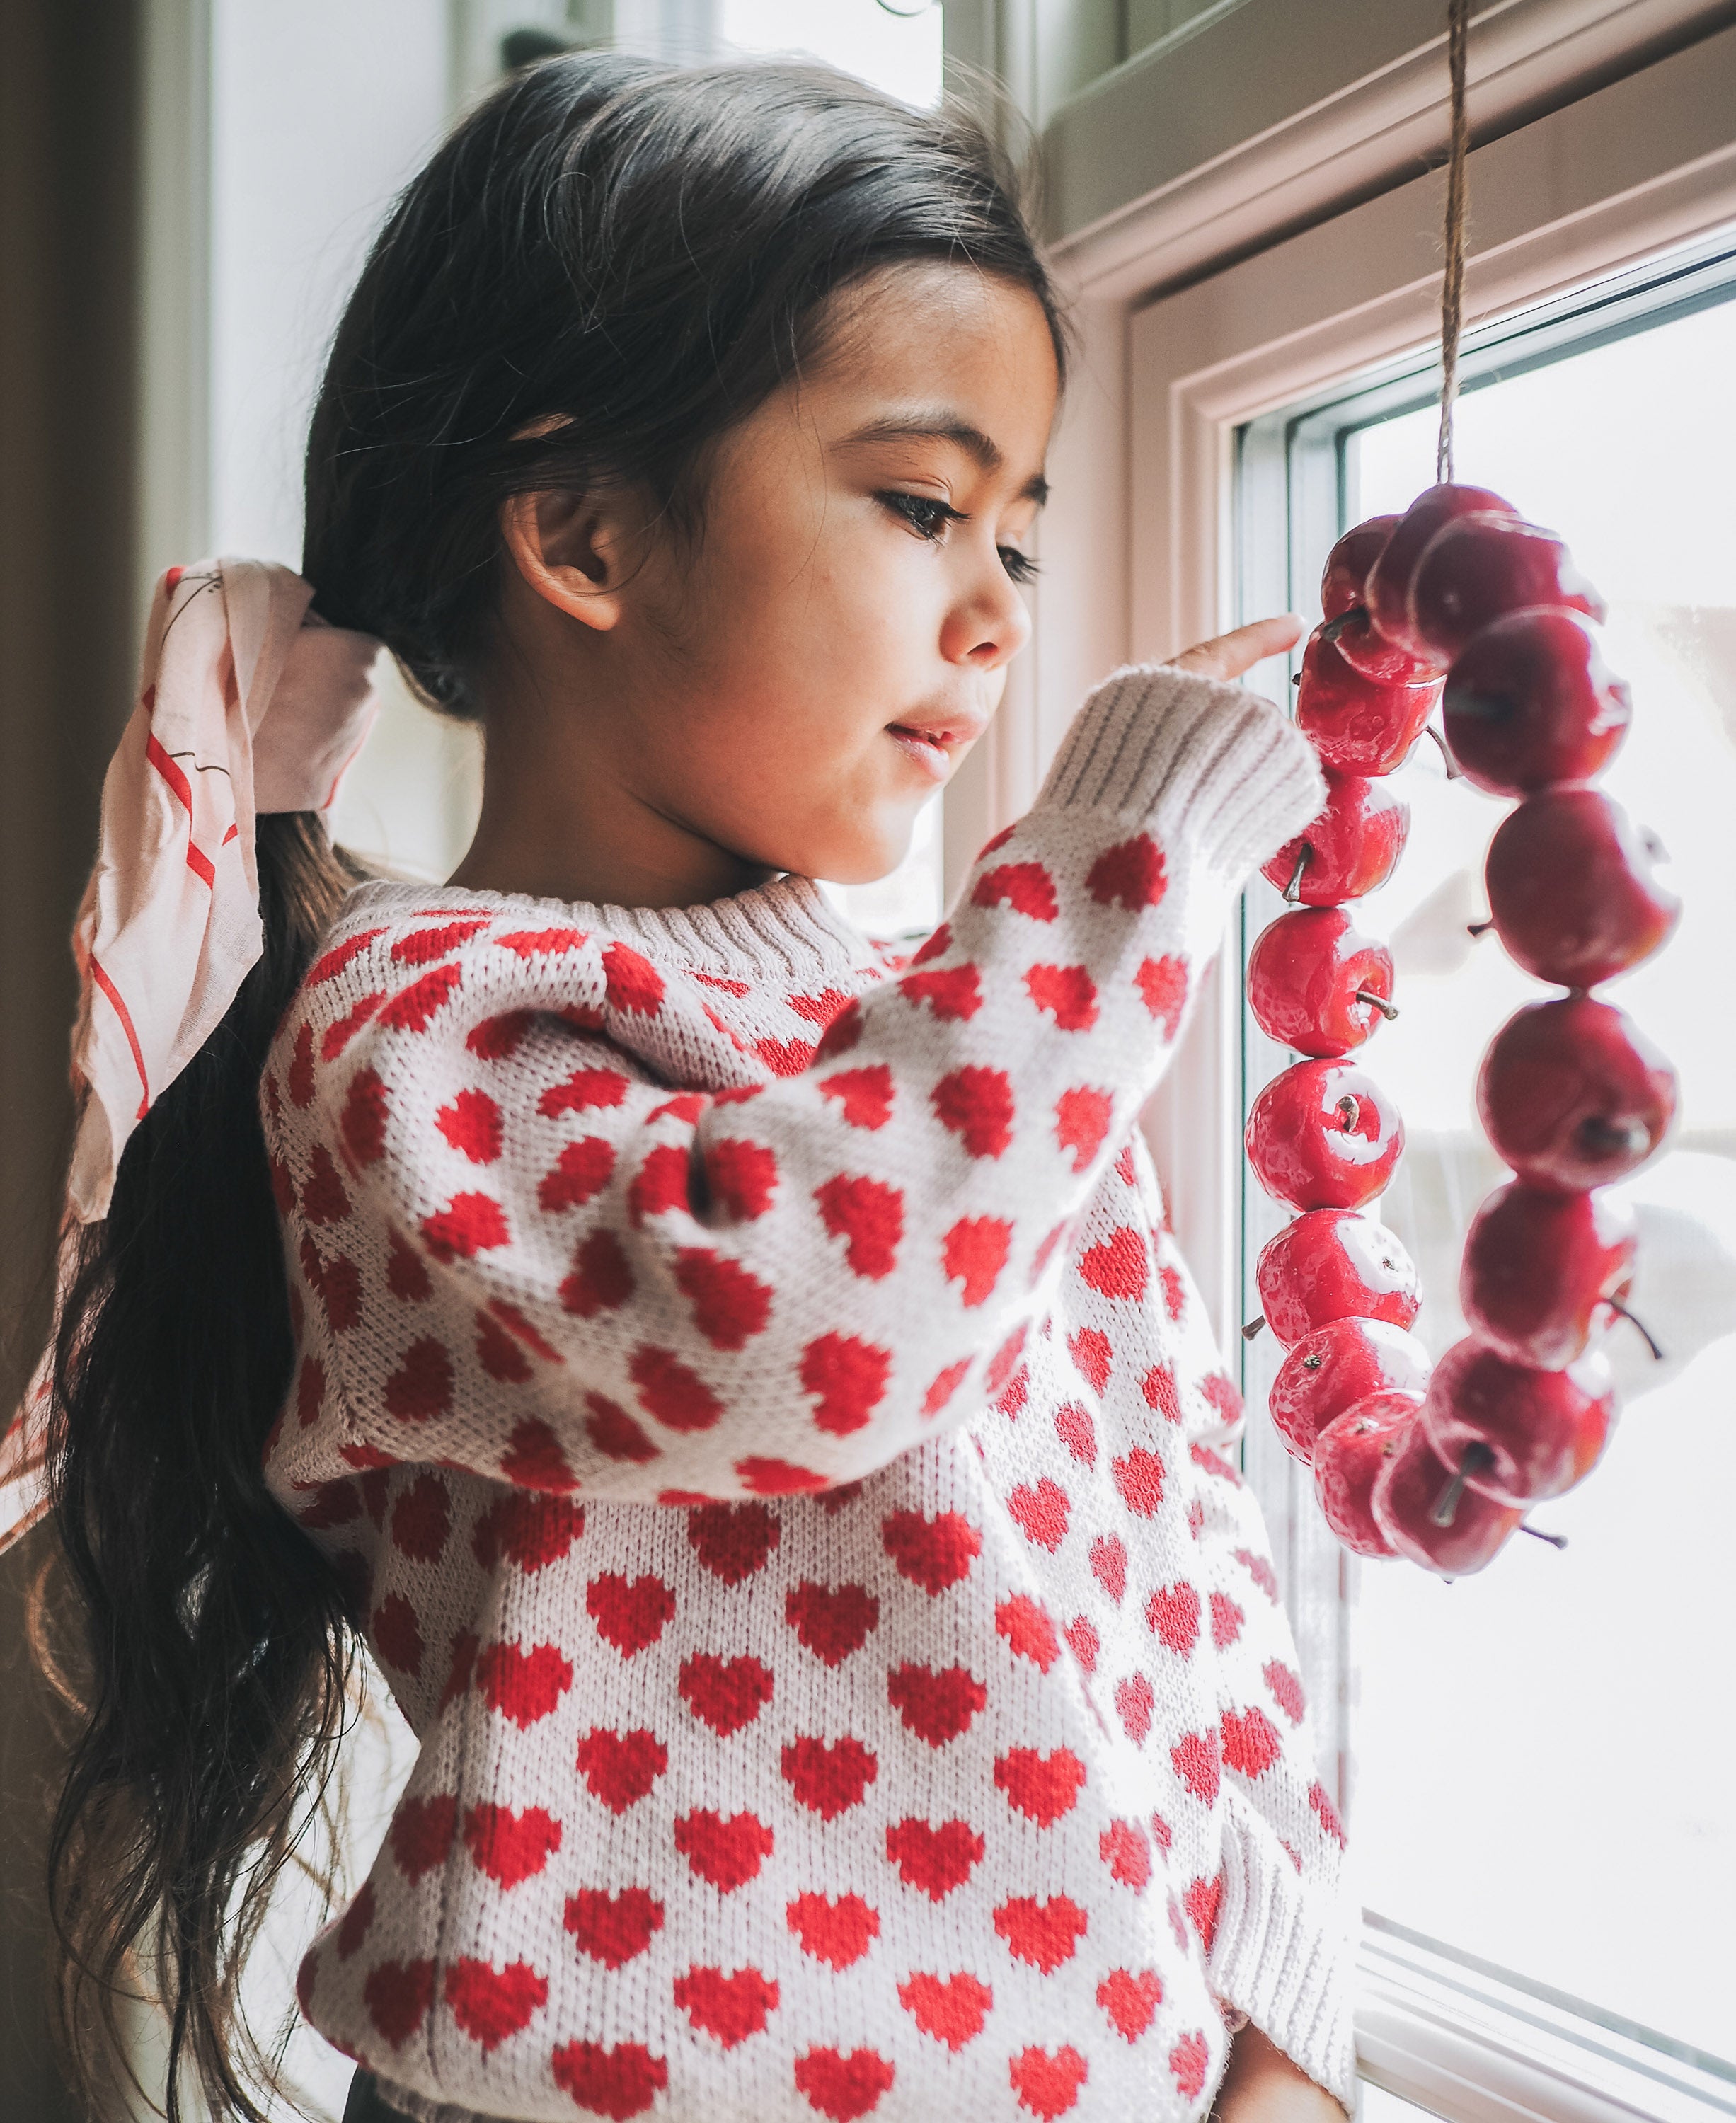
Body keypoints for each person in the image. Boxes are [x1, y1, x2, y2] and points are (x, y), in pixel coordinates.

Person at [16, 50, 1357, 2123]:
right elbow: (792, 1335)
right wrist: (1128, 862)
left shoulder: (971, 1036)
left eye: (1019, 532)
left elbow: (1182, 1544)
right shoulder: (415, 1034)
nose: (1000, 613)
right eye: (926, 506)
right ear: (576, 533)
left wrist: (1283, 2025)